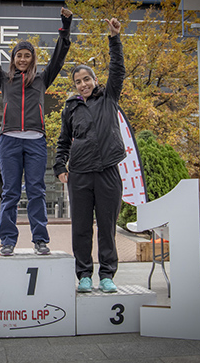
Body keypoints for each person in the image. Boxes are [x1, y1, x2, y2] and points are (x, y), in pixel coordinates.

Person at [0, 5, 72, 256]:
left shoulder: (42, 79)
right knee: (10, 192)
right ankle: (7, 240)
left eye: (27, 55)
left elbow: (59, 57)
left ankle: (40, 239)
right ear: (13, 58)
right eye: (19, 55)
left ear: (32, 59)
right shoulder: (3, 79)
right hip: (9, 141)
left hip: (36, 141)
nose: (23, 59)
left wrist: (65, 26)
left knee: (37, 190)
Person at [53, 18, 126, 294]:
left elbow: (118, 70)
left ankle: (107, 275)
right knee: (81, 228)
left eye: (87, 79)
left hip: (107, 171)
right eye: (78, 81)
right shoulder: (70, 108)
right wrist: (60, 165)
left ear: (95, 81)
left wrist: (114, 38)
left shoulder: (108, 97)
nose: (82, 84)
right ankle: (84, 275)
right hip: (80, 174)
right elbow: (63, 141)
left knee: (107, 227)